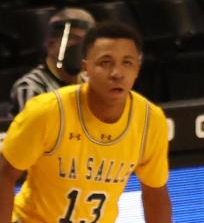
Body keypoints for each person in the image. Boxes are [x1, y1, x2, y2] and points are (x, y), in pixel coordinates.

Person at [0, 21, 172, 223]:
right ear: (85, 67)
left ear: (137, 69)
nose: (117, 73)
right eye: (106, 62)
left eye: (127, 63)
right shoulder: (47, 111)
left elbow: (155, 193)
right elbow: (4, 174)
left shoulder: (151, 121)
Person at [9, 8, 96, 117]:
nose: (81, 48)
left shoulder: (91, 83)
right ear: (51, 45)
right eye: (75, 39)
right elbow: (37, 132)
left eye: (87, 42)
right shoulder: (30, 87)